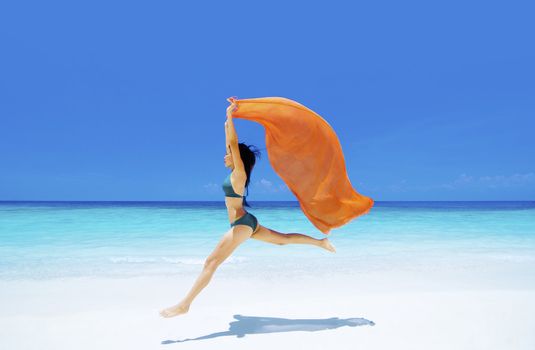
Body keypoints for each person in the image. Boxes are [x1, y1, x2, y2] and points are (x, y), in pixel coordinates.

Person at [159, 100, 336, 318]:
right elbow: (230, 145)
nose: (225, 156)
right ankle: (320, 242)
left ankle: (184, 305)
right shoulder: (236, 174)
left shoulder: (239, 174)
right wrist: (226, 123)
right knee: (283, 240)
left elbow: (233, 145)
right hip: (247, 222)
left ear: (237, 159)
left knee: (210, 263)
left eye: (230, 154)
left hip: (241, 224)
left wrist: (231, 117)